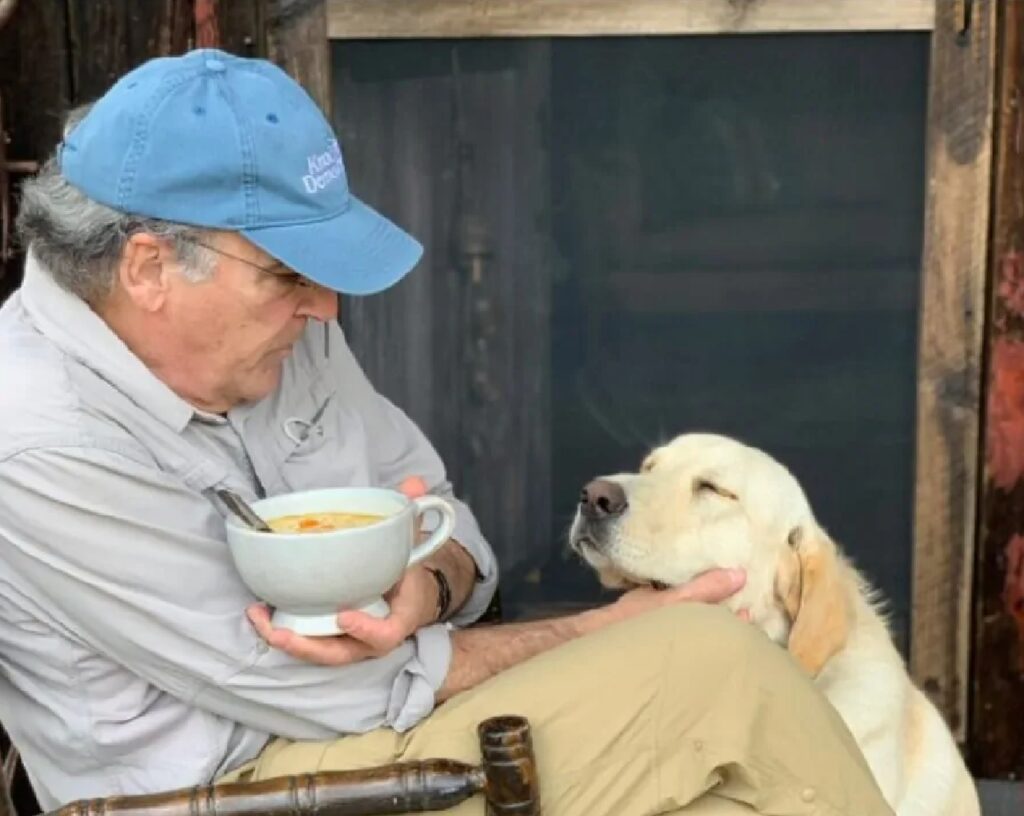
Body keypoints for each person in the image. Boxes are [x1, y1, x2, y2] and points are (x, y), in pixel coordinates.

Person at [0, 49, 893, 816]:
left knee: (735, 790)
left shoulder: (275, 337)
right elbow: (321, 686)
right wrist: (610, 628)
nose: (325, 306)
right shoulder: (34, 439)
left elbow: (447, 521)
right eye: (286, 274)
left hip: (387, 725)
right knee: (715, 665)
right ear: (150, 267)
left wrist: (429, 582)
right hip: (249, 786)